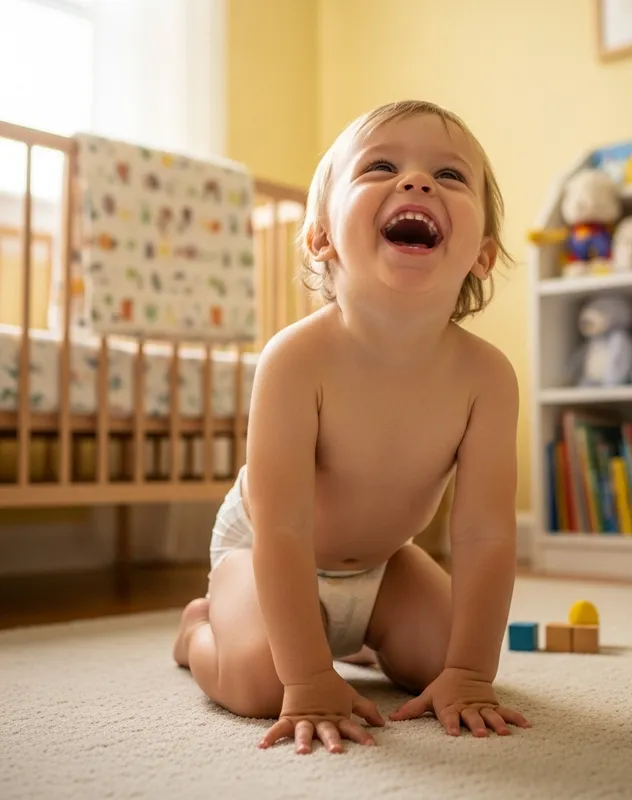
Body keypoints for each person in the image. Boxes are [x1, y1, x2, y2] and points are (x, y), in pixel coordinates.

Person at [172, 99, 531, 755]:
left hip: (382, 561)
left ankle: (359, 635)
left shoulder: (487, 377)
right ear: (322, 238)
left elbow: (485, 532)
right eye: (382, 167)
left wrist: (471, 674)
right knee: (260, 682)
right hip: (265, 551)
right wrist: (308, 680)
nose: (417, 182)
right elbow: (282, 528)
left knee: (443, 661)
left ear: (482, 255)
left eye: (450, 175)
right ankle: (199, 630)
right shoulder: (295, 359)